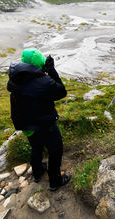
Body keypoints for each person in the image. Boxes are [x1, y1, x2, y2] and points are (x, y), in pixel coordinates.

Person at [7, 49, 70, 191]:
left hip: (26, 125)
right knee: (55, 150)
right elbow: (61, 92)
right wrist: (51, 70)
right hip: (45, 124)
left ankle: (37, 172)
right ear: (38, 63)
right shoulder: (43, 81)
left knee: (36, 147)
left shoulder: (16, 77)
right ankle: (55, 181)